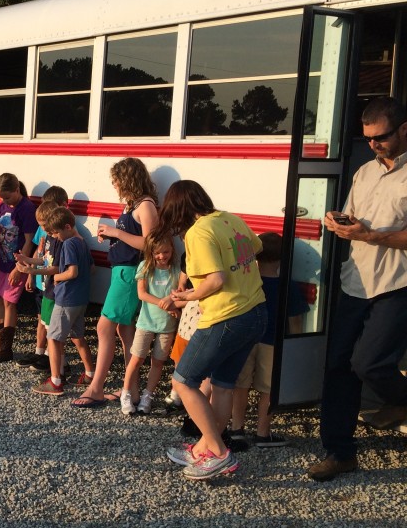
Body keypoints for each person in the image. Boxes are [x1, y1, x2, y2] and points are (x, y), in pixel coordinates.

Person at [310, 96, 407, 481]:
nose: (373, 144)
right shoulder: (364, 171)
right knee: (337, 368)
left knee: (370, 363)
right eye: (367, 138)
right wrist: (339, 222)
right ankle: (339, 452)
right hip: (356, 280)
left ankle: (400, 401)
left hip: (397, 283)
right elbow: (354, 217)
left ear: (403, 129)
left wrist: (369, 234)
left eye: (380, 137)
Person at [153, 180, 266, 480]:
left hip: (226, 317)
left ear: (179, 209)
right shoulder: (230, 218)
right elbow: (256, 248)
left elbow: (215, 281)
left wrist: (187, 296)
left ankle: (217, 452)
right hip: (255, 311)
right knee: (223, 383)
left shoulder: (198, 232)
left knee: (183, 381)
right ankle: (204, 446)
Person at [73, 158, 158, 407]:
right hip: (122, 271)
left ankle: (96, 387)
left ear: (128, 179)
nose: (115, 185)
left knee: (103, 328)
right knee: (124, 331)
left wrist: (116, 233)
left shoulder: (146, 205)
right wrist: (111, 237)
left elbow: (150, 245)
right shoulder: (133, 204)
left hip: (131, 274)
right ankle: (130, 389)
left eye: (117, 180)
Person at [231, 232, 309, 447]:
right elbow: (295, 320)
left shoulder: (247, 281)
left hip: (245, 339)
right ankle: (262, 434)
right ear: (283, 257)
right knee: (268, 389)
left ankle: (237, 429)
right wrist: (296, 346)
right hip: (273, 342)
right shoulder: (288, 286)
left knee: (240, 385)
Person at [16, 207, 94, 396]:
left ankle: (56, 381)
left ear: (67, 227)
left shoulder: (68, 244)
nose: (56, 237)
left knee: (53, 337)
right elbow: (91, 269)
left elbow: (71, 272)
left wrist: (58, 277)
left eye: (56, 233)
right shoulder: (83, 242)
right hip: (81, 299)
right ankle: (90, 373)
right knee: (77, 337)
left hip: (66, 298)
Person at [119, 235, 185, 415]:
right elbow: (141, 294)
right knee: (137, 359)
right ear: (151, 253)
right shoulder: (145, 267)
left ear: (172, 250)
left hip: (167, 325)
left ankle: (148, 395)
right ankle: (126, 393)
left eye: (166, 252)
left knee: (158, 362)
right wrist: (165, 305)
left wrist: (171, 304)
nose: (162, 256)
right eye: (157, 253)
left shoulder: (176, 269)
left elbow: (179, 293)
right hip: (146, 322)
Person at [0, 173, 37, 363]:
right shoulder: (1, 208)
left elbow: (30, 240)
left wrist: (20, 266)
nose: (5, 201)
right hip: (2, 263)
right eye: (1, 197)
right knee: (0, 300)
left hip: (17, 264)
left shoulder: (27, 209)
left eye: (7, 197)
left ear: (17, 190)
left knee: (9, 302)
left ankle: (5, 348)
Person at [17, 187, 69, 374]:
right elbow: (40, 252)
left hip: (52, 285)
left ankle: (51, 357)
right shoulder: (43, 230)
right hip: (42, 282)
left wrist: (31, 268)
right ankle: (40, 352)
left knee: (51, 323)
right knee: (41, 319)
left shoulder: (61, 237)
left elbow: (57, 265)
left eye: (46, 226)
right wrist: (31, 273)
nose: (44, 229)